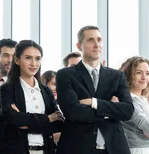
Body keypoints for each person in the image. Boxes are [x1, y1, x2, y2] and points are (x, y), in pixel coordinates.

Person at [55, 25, 134, 154]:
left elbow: (128, 111)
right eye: (91, 40)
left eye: (99, 40)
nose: (97, 44)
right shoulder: (66, 75)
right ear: (79, 46)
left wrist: (94, 102)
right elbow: (73, 111)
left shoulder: (117, 76)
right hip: (77, 147)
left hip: (113, 148)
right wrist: (111, 110)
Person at [0, 40, 63, 154]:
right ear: (17, 60)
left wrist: (26, 123)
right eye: (28, 58)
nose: (33, 63)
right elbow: (13, 119)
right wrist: (47, 118)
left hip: (46, 150)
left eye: (37, 58)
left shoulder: (46, 91)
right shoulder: (8, 89)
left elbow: (58, 123)